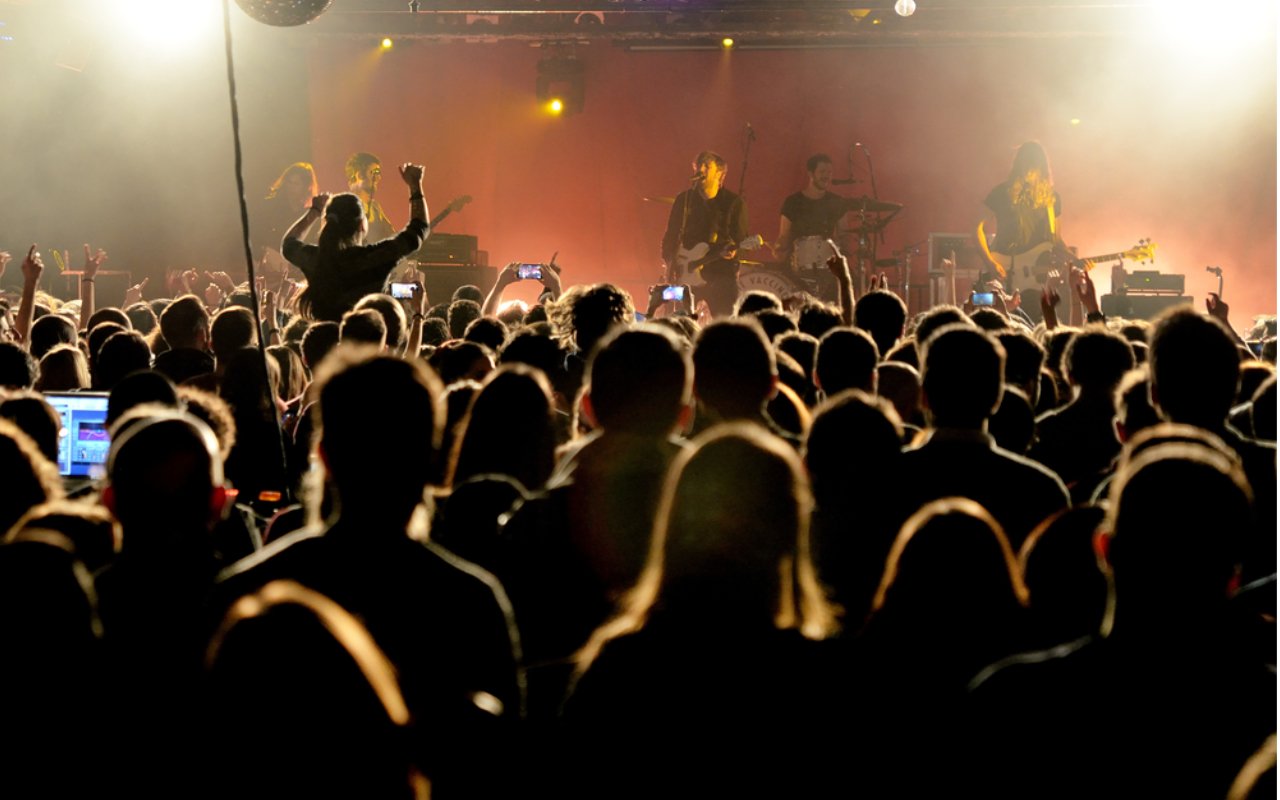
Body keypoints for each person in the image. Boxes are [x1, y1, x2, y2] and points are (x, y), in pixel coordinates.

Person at [284, 162, 429, 322]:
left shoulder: (316, 259)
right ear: (362, 225)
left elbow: (289, 244)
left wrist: (315, 211)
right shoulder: (373, 258)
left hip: (325, 339)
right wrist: (415, 186)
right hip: (365, 341)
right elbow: (418, 229)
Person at [660, 151, 748, 319]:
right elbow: (670, 235)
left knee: (724, 323)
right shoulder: (684, 199)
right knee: (677, 320)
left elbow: (742, 242)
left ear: (720, 174)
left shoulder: (734, 203)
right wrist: (670, 262)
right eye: (698, 165)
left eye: (707, 166)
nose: (700, 169)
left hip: (720, 274)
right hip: (684, 275)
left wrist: (735, 253)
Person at [976, 141, 1063, 303]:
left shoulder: (1052, 199)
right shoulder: (1001, 192)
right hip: (999, 274)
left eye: (1033, 165)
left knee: (1037, 321)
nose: (1029, 170)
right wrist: (990, 263)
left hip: (1034, 286)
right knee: (979, 302)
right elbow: (976, 229)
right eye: (1026, 163)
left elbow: (1056, 241)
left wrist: (1077, 261)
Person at [773, 153, 849, 267]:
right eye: (822, 171)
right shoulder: (793, 202)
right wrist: (779, 249)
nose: (826, 176)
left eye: (829, 172)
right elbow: (784, 235)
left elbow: (844, 235)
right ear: (810, 173)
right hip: (797, 263)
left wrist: (840, 249)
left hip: (828, 265)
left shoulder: (837, 202)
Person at [345, 151, 396, 243]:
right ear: (360, 175)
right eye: (375, 172)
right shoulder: (343, 206)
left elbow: (393, 236)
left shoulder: (376, 208)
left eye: (379, 172)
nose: (379, 177)